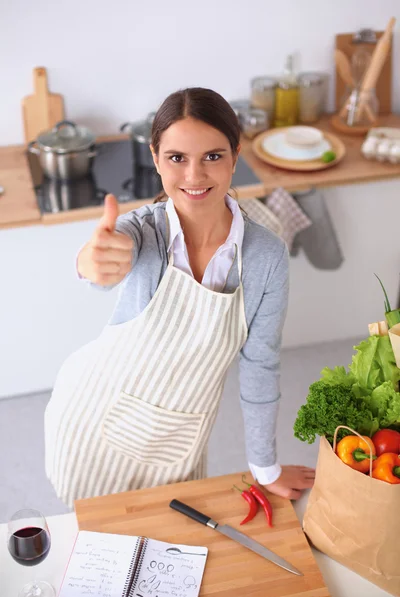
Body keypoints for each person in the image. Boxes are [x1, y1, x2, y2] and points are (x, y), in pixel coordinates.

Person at [44, 87, 315, 508]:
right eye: (176, 158)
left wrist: (265, 468)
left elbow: (260, 364)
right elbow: (102, 262)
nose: (194, 175)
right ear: (155, 158)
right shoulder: (142, 231)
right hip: (93, 422)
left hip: (179, 440)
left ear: (234, 156)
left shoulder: (266, 257)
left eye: (212, 156)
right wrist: (91, 262)